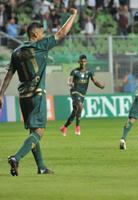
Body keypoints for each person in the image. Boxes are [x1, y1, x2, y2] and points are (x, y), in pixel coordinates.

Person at [0, 8, 78, 176]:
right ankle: (16, 157)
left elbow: (9, 74)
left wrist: (1, 94)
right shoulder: (41, 45)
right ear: (35, 35)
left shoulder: (16, 52)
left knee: (32, 132)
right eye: (42, 33)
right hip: (36, 95)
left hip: (23, 97)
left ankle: (41, 167)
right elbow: (62, 32)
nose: (44, 35)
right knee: (39, 132)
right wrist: (73, 15)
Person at [60, 55, 105, 136]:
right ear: (78, 62)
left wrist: (101, 86)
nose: (83, 63)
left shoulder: (89, 72)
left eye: (84, 61)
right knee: (80, 106)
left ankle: (64, 127)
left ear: (86, 62)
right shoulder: (74, 71)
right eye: (81, 61)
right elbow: (69, 81)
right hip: (74, 92)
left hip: (82, 94)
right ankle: (77, 127)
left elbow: (94, 81)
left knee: (74, 112)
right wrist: (70, 83)